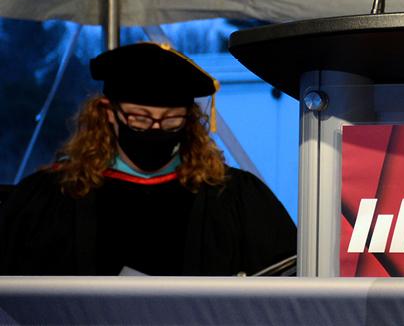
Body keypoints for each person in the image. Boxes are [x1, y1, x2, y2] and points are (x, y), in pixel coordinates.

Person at [0, 42, 295, 276]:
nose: (156, 130)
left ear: (190, 121)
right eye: (139, 119)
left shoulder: (233, 198)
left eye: (171, 120)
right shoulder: (52, 197)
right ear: (108, 113)